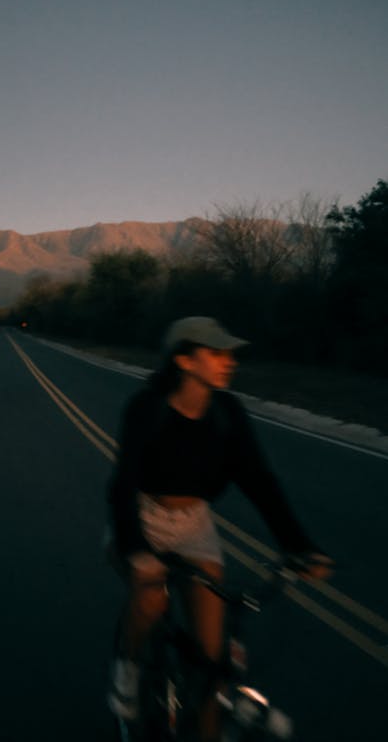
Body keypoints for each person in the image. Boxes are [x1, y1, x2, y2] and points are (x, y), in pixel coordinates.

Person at [106, 316, 332, 741]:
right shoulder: (146, 408)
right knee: (151, 600)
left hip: (195, 524)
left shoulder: (228, 412)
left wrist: (298, 546)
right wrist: (137, 551)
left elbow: (259, 481)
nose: (229, 361)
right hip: (143, 516)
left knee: (212, 661)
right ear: (185, 361)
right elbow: (122, 485)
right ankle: (128, 669)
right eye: (216, 353)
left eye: (229, 353)